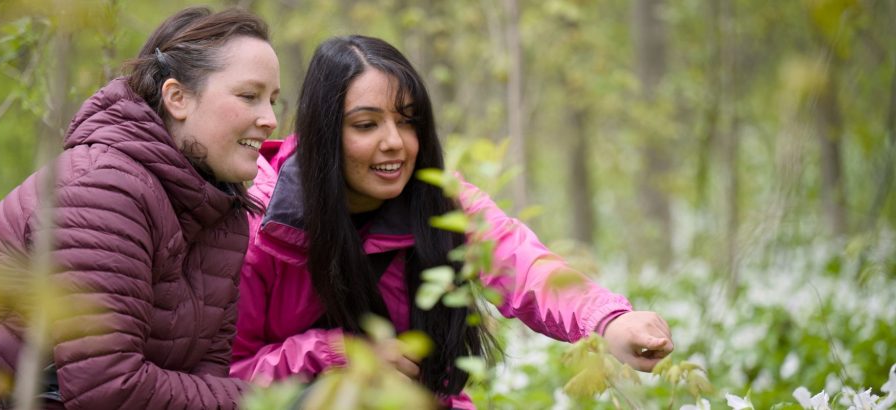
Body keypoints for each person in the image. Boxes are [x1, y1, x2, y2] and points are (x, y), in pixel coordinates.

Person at [229, 35, 674, 408]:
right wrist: (337, 355)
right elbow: (228, 380)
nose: (394, 143)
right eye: (366, 125)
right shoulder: (257, 226)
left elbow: (521, 262)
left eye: (408, 122)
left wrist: (608, 320)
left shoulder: (437, 200)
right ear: (325, 133)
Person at [0, 7, 279, 409]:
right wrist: (272, 401)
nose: (270, 120)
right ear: (177, 98)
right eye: (249, 96)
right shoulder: (106, 189)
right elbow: (107, 388)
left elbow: (203, 379)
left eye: (273, 100)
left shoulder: (220, 215)